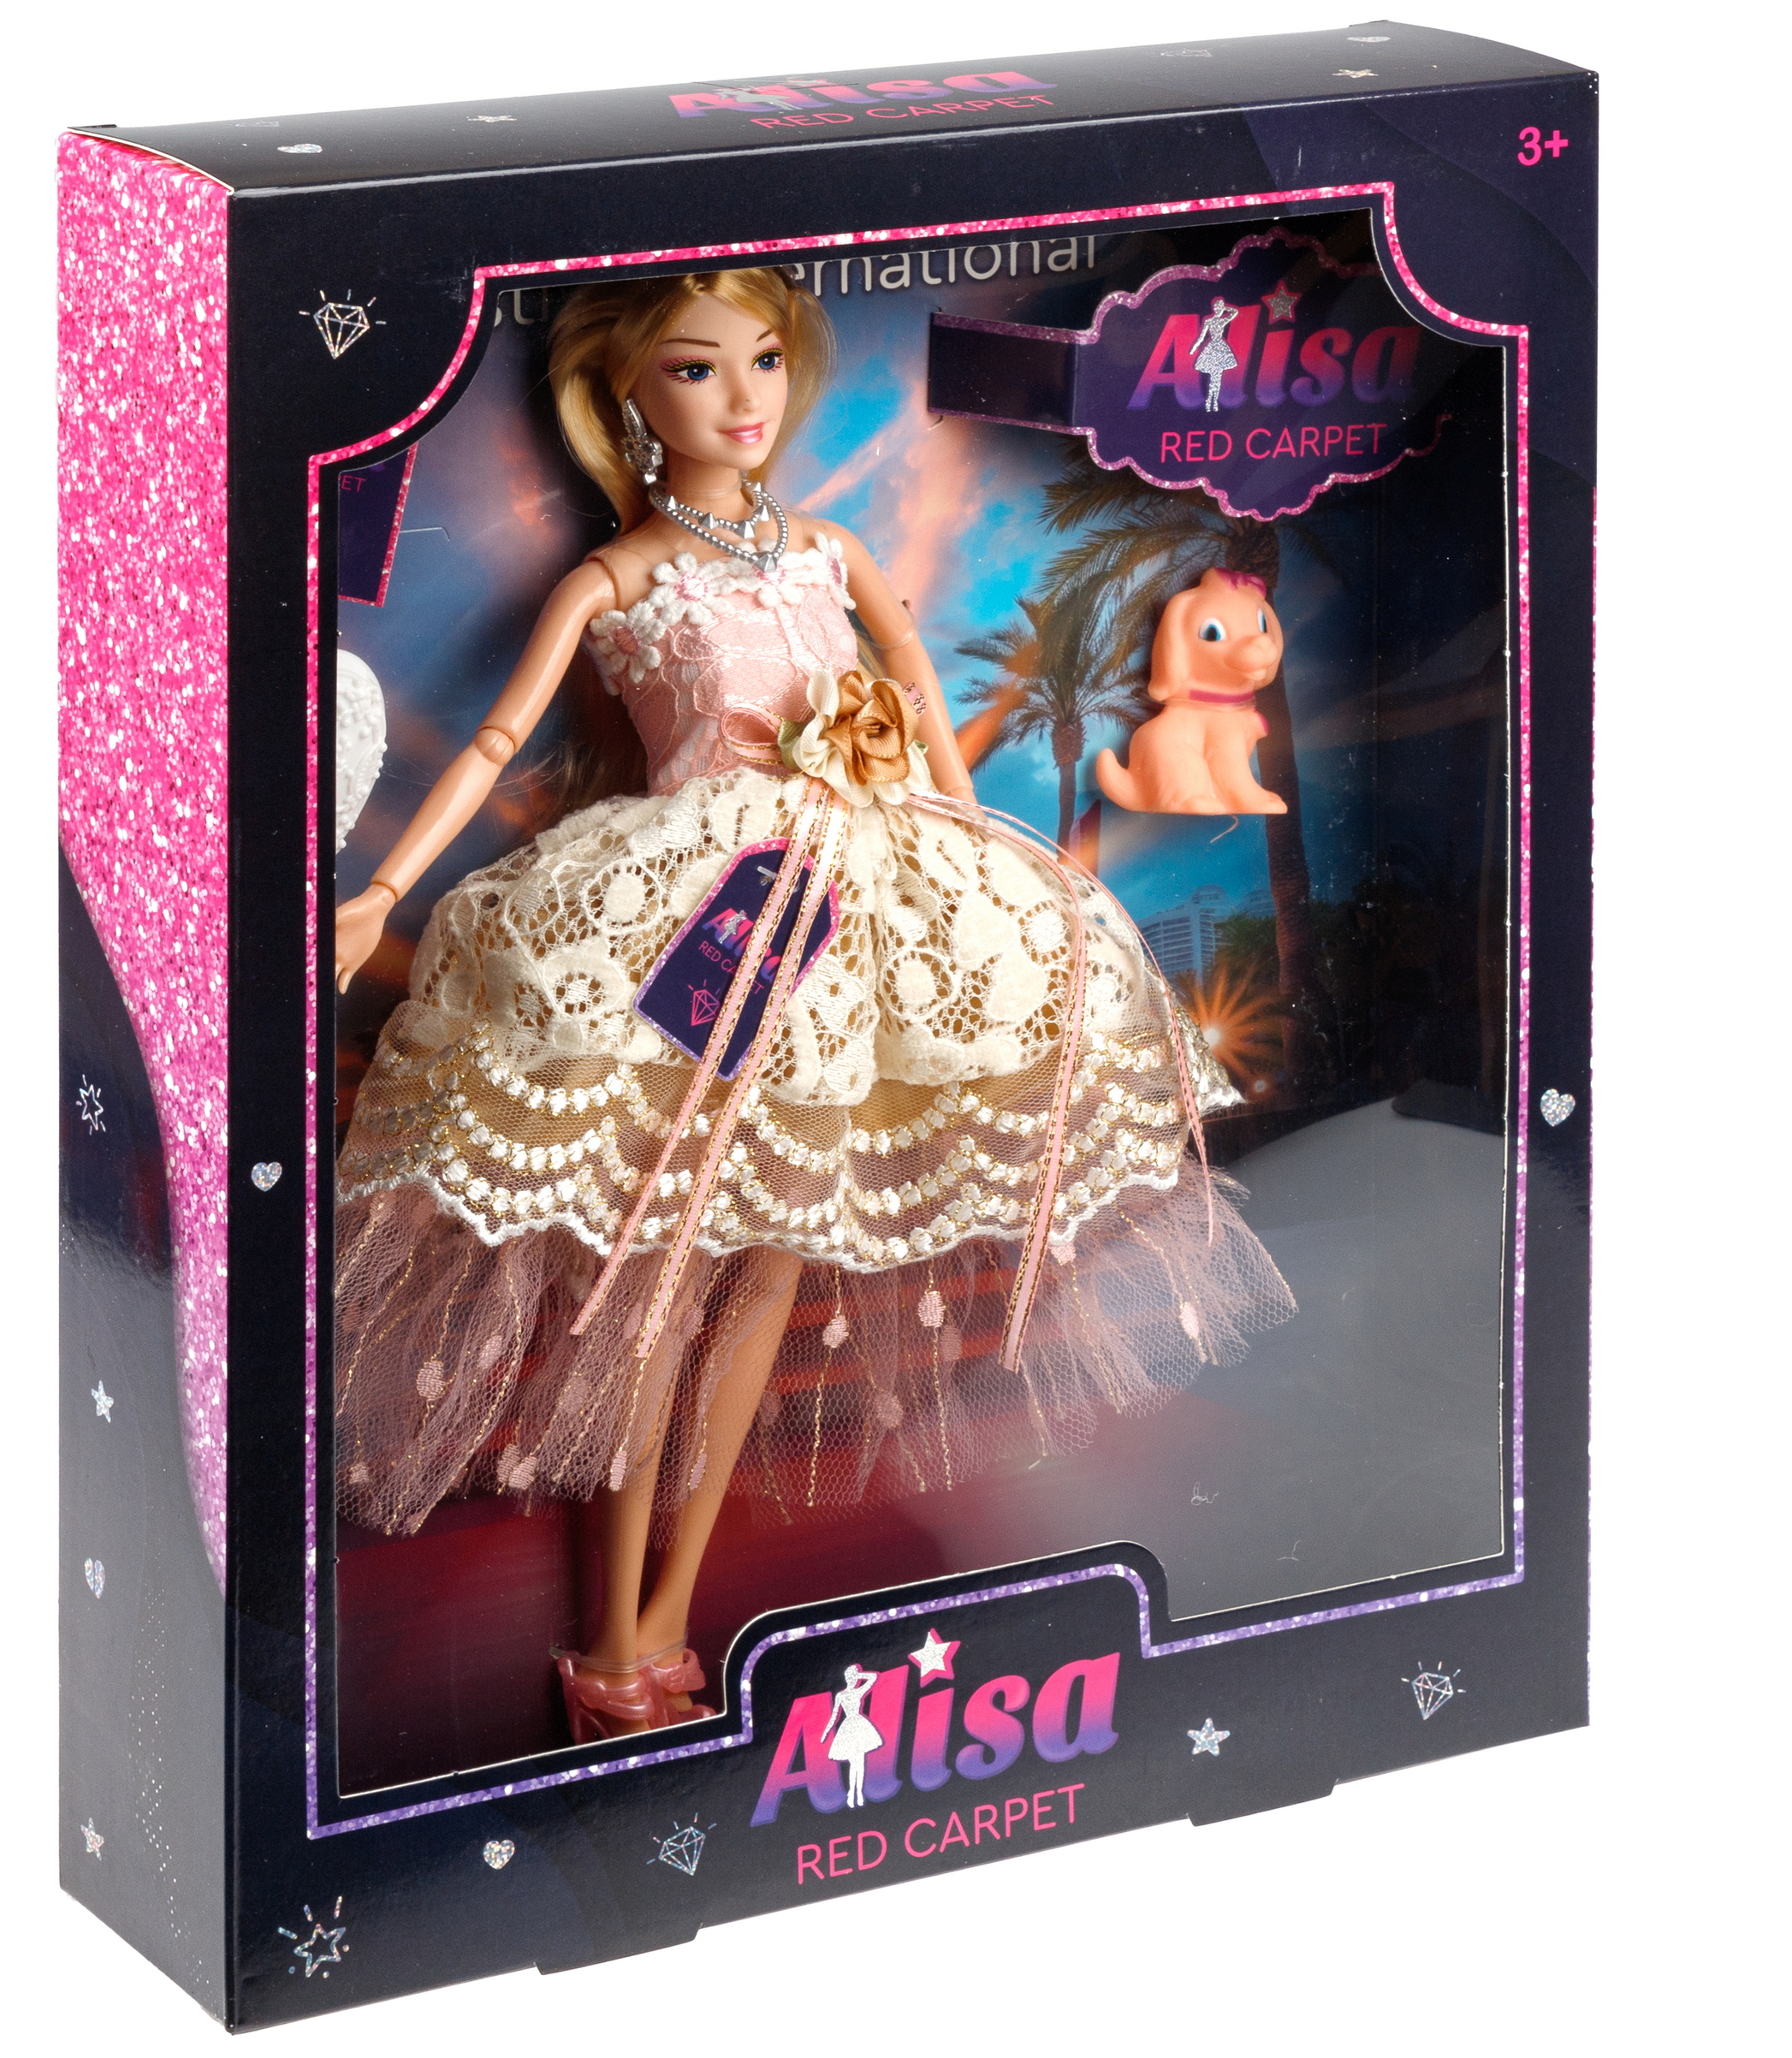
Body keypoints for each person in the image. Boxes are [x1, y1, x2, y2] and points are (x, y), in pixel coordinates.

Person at [331, 266, 1292, 1744]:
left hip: (861, 903)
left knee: (775, 1255)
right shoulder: (621, 578)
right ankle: (614, 1636)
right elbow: (496, 740)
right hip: (708, 901)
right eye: (695, 368)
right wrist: (384, 892)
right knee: (661, 1271)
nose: (744, 397)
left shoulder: (831, 550)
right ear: (627, 396)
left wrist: (1000, 868)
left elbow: (915, 696)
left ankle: (668, 1617)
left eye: (764, 359)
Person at [821, 1664, 885, 1808]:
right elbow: (834, 1715)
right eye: (850, 1677)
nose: (852, 1680)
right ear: (846, 1678)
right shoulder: (841, 1695)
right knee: (854, 1763)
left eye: (853, 1677)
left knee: (859, 1762)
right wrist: (826, 1731)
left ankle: (859, 1792)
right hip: (848, 1728)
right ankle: (852, 1792)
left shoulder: (858, 1692)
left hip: (859, 1726)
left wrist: (859, 1674)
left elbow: (873, 1677)